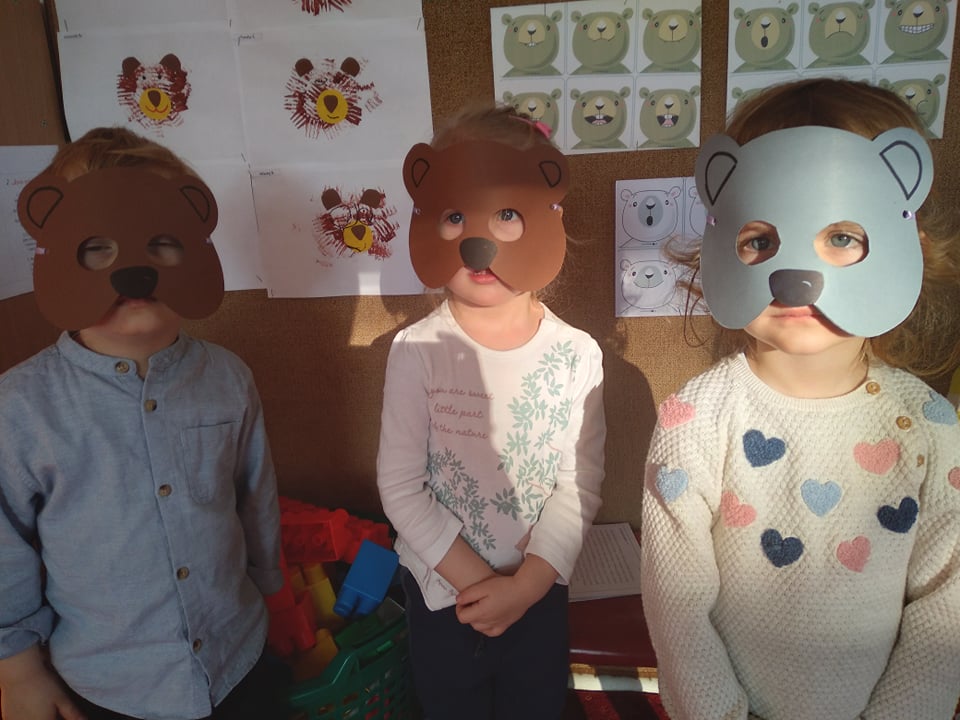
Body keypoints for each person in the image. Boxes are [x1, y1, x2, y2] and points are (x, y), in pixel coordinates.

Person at [640, 77, 960, 720]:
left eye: (842, 237)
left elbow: (946, 603)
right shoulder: (695, 421)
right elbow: (676, 603)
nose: (796, 277)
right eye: (760, 240)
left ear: (910, 248)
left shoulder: (928, 426)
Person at [0, 128, 284, 720]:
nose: (133, 269)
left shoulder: (229, 378)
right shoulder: (20, 406)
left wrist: (270, 586)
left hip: (238, 658)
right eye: (95, 248)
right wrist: (18, 668)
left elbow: (254, 496)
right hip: (110, 686)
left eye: (162, 242)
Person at [377, 105, 606, 720]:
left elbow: (578, 485)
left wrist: (525, 588)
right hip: (443, 594)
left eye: (507, 214)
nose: (481, 243)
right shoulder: (417, 350)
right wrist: (480, 588)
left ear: (548, 216)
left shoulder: (576, 354)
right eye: (456, 216)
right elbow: (401, 486)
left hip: (538, 590)